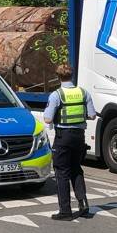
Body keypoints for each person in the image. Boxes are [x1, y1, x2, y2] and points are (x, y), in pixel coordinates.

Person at [42, 65, 96, 220]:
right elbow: (92, 116)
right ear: (72, 76)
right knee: (76, 169)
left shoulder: (56, 95)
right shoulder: (83, 93)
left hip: (63, 137)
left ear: (58, 77)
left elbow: (48, 119)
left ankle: (65, 211)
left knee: (61, 172)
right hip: (79, 137)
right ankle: (83, 205)